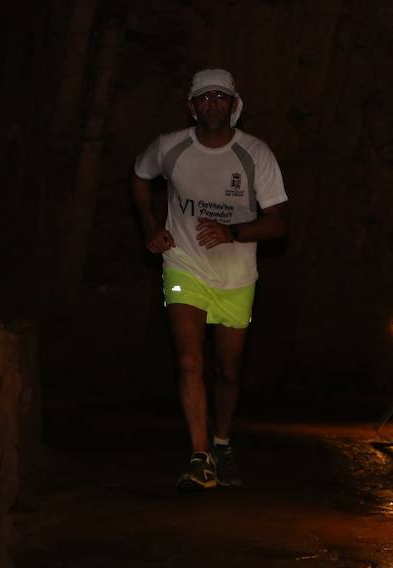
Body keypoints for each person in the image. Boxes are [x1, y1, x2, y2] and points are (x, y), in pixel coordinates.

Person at [132, 69, 289, 491]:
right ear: (192, 106)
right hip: (184, 263)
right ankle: (200, 456)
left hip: (236, 272)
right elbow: (140, 175)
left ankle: (221, 442)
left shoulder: (256, 154)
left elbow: (278, 223)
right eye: (205, 98)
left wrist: (233, 232)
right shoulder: (170, 147)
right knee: (189, 359)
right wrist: (150, 225)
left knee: (228, 369)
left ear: (234, 104)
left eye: (221, 97)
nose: (213, 104)